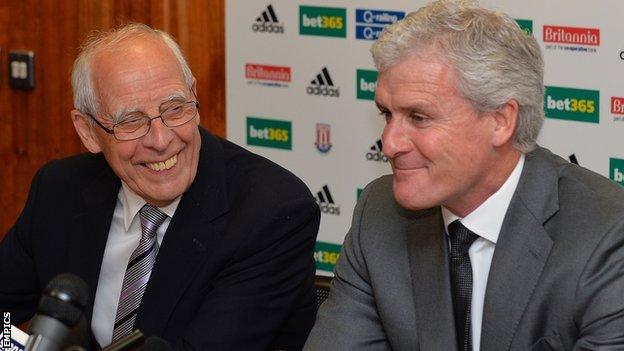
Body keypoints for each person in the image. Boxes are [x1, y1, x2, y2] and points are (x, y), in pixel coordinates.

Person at [304, 1, 624, 350]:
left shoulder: (606, 235)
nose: (390, 143)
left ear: (500, 121)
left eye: (419, 117)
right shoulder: (380, 215)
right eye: (386, 114)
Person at [0, 23, 320, 350]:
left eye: (175, 108)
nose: (161, 140)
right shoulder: (60, 191)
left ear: (194, 95)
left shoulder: (271, 213)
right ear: (88, 131)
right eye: (131, 122)